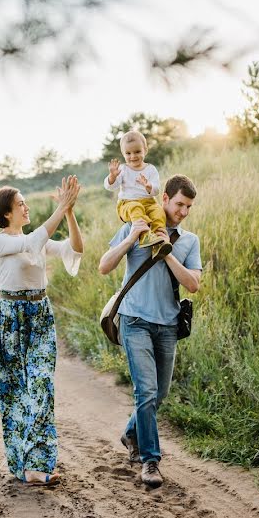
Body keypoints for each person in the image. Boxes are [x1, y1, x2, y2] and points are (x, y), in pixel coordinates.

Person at [98, 174, 201, 488]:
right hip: (135, 321)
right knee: (146, 391)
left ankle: (132, 433)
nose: (183, 211)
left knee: (161, 393)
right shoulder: (135, 223)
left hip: (168, 324)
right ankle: (150, 461)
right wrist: (132, 238)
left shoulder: (188, 241)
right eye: (180, 204)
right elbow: (104, 266)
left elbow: (193, 284)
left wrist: (165, 251)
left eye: (189, 207)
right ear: (165, 199)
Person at [0, 175, 83, 486]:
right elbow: (30, 243)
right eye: (20, 204)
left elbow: (74, 249)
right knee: (14, 391)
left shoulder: (38, 241)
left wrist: (69, 212)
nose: (26, 207)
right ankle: (23, 465)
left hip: (39, 314)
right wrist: (61, 207)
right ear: (6, 213)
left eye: (25, 202)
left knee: (41, 386)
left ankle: (40, 465)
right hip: (10, 318)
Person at [103, 130, 171, 258]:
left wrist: (148, 186)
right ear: (123, 154)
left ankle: (158, 243)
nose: (133, 156)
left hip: (149, 202)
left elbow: (156, 190)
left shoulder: (151, 169)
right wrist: (112, 176)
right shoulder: (123, 169)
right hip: (127, 204)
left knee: (159, 213)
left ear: (145, 150)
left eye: (137, 152)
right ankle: (145, 236)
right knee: (136, 207)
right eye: (128, 153)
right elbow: (110, 186)